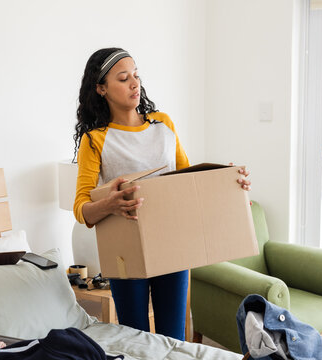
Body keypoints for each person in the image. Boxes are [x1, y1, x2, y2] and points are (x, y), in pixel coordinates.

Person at [73, 47, 251, 340]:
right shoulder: (95, 140)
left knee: (173, 339)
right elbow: (81, 208)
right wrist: (109, 204)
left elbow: (188, 181)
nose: (134, 83)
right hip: (125, 252)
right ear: (101, 88)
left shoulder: (163, 124)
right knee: (135, 340)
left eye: (136, 75)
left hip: (173, 243)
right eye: (122, 78)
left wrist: (227, 181)